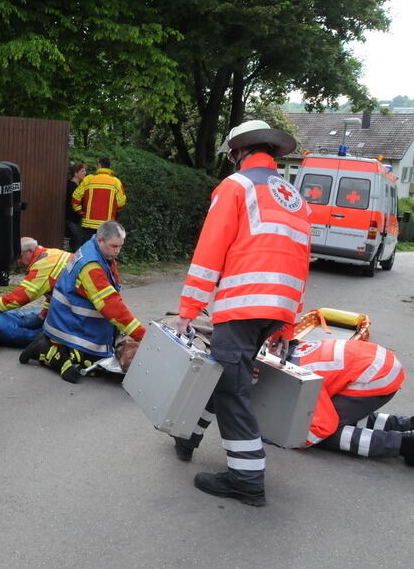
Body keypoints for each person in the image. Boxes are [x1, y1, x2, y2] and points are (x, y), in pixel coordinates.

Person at [172, 119, 311, 507]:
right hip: (274, 310)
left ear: (237, 152)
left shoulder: (236, 186)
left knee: (232, 388)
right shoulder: (295, 199)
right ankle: (188, 435)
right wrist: (287, 322)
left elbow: (210, 250)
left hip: (242, 304)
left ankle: (246, 480)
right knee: (226, 372)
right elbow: (300, 262)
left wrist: (189, 307)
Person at [23, 220, 146, 383]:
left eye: (120, 246)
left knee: (96, 362)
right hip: (70, 323)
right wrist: (141, 334)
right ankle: (46, 350)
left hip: (69, 318)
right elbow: (110, 304)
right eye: (114, 246)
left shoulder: (95, 249)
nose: (117, 251)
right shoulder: (92, 266)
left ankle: (52, 348)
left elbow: (112, 294)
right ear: (100, 240)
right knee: (92, 366)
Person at [289, 339, 412, 463]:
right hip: (380, 366)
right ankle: (406, 424)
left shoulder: (298, 379)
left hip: (376, 376)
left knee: (307, 429)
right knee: (331, 413)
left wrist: (290, 437)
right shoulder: (292, 352)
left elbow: (321, 428)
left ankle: (405, 444)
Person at [0, 237, 70, 319]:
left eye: (19, 257)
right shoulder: (50, 254)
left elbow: (21, 296)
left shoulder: (43, 266)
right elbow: (54, 293)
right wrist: (44, 314)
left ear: (29, 251)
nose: (18, 262)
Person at [71, 156, 127, 243]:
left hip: (88, 224)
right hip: (106, 226)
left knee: (88, 251)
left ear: (99, 165)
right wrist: (113, 212)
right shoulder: (116, 182)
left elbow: (75, 197)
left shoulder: (88, 179)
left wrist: (80, 211)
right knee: (103, 252)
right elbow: (121, 203)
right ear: (109, 167)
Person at [65, 163, 86, 250]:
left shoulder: (77, 186)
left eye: (85, 170)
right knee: (76, 243)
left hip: (76, 219)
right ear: (75, 173)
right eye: (82, 171)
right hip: (72, 219)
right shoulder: (72, 186)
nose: (85, 173)